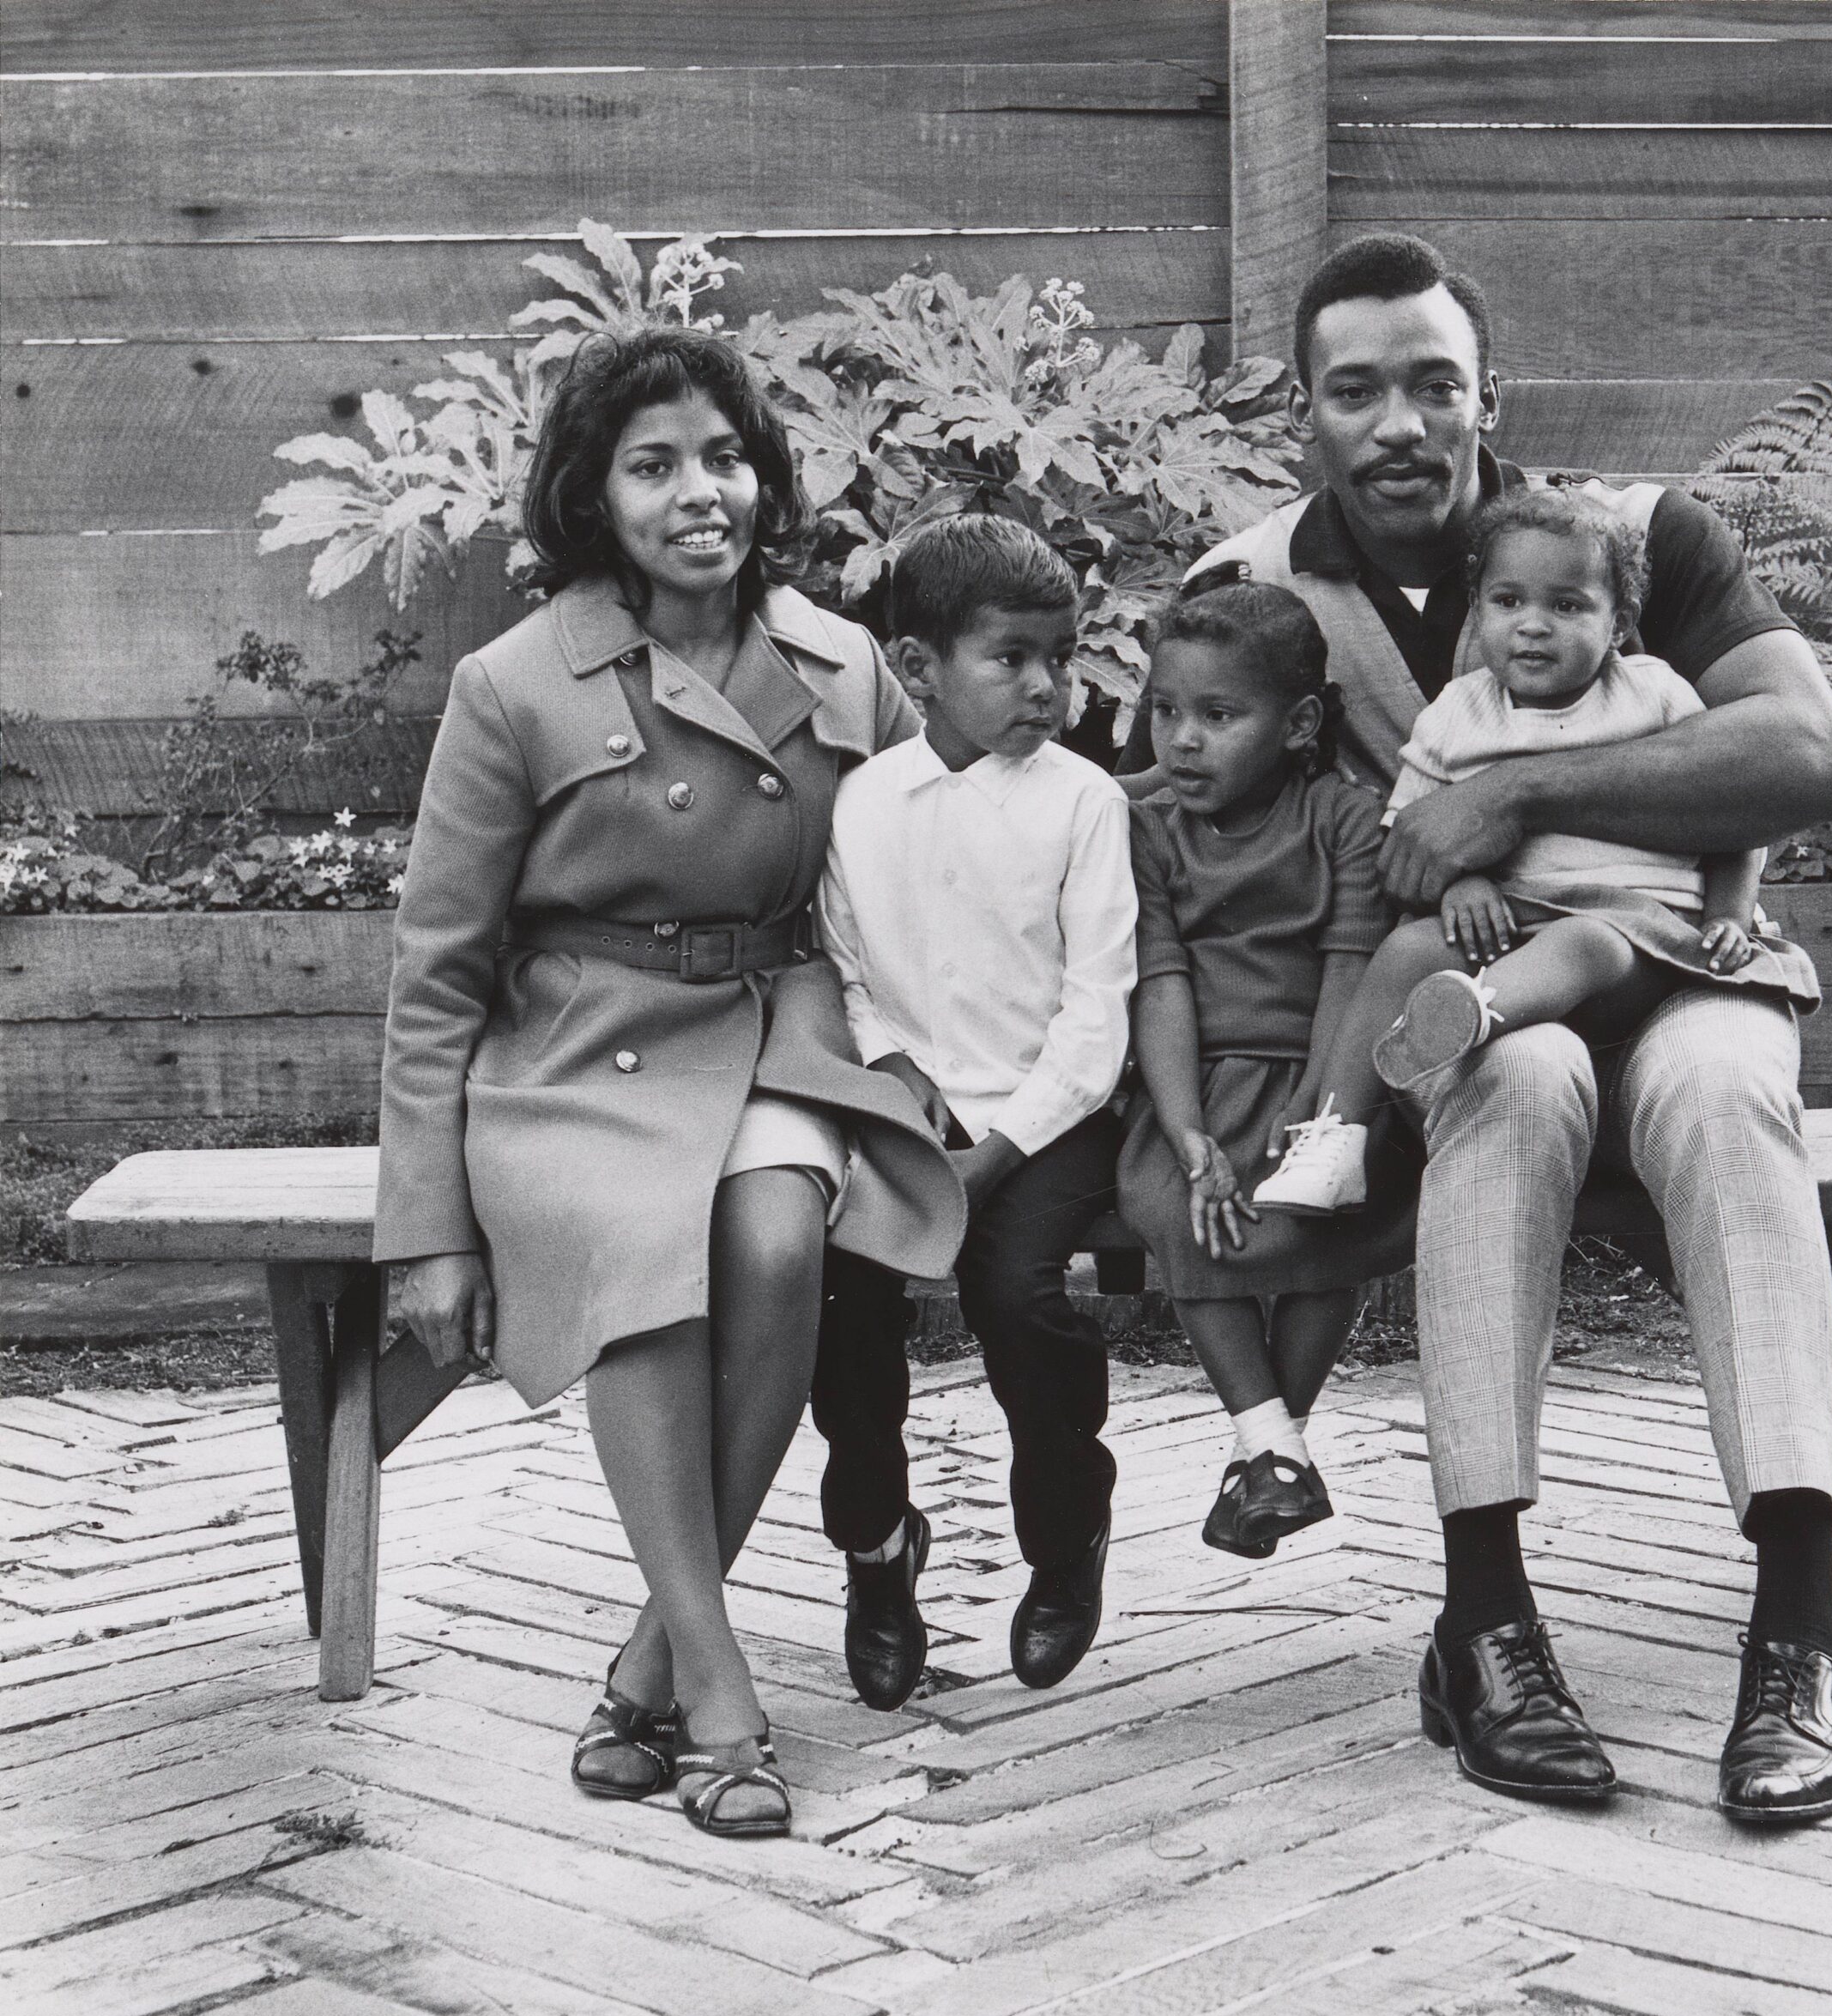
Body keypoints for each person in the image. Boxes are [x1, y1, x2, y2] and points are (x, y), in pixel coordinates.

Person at [1122, 233, 1832, 1825]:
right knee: (1507, 1079)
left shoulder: (1635, 535)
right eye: (1357, 390)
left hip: (1683, 967)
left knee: (1733, 1090)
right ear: (1305, 416)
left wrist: (1512, 793)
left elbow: (1807, 754)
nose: (1400, 422)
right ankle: (1487, 1624)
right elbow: (1176, 856)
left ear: (1486, 398)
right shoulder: (1249, 595)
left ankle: (1798, 1624)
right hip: (1469, 1005)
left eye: (1434, 384)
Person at [376, 327, 964, 1837]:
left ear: (764, 479)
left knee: (773, 1235)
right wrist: (428, 1229)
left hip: (778, 1019)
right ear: (593, 495)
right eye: (653, 466)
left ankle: (648, 1656)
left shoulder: (844, 668)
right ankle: (715, 1691)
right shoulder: (515, 684)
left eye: (723, 458)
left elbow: (922, 892)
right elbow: (439, 967)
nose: (699, 492)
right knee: (653, 1259)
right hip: (582, 1044)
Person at [1259, 484, 1820, 1214]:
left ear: (1619, 622)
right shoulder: (1457, 713)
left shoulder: (1653, 693)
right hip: (1511, 927)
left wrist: (1732, 915)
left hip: (1639, 939)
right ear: (1478, 607)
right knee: (1407, 952)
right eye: (1508, 601)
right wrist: (1457, 887)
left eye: (1566, 606)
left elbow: (1738, 818)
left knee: (1583, 942)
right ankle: (1335, 1139)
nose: (1532, 626)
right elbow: (1411, 835)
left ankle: (1474, 1019)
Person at [811, 514, 1137, 1709]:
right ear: (916, 666)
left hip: (1046, 1121)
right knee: (840, 1302)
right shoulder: (859, 805)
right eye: (1012, 657)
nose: (1047, 684)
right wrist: (895, 1077)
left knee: (1020, 1294)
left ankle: (1064, 1537)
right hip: (907, 1113)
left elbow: (1100, 1007)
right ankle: (878, 1544)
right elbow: (845, 968)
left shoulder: (1084, 803)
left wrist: (995, 1153)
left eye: (1063, 654)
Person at [1116, 569, 1418, 1558]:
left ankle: (1265, 1454)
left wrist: (1317, 1115)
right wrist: (1187, 1130)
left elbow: (1348, 970)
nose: (1182, 739)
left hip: (1332, 1074)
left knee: (1336, 1215)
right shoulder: (1149, 827)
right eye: (1164, 711)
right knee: (1178, 1205)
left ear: (1295, 725)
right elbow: (1158, 979)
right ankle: (1270, 1449)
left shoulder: (1341, 816)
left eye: (1217, 714)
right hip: (1197, 1080)